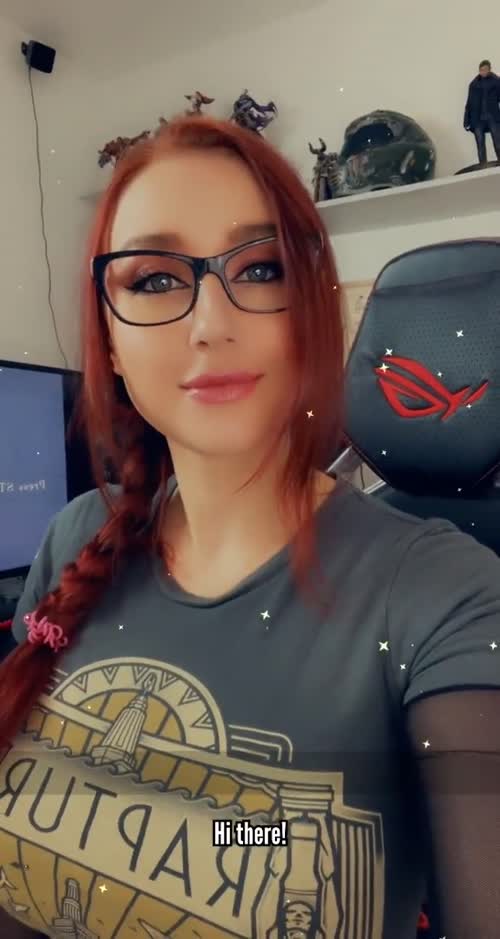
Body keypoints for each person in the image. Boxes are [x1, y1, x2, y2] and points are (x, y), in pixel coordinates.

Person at [0, 116, 499, 939]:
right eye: (154, 279)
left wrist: (221, 832)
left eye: (261, 269)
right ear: (110, 341)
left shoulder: (445, 596)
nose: (210, 322)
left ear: (311, 310)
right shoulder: (75, 534)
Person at [463, 58, 500, 163]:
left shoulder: (496, 82)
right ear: (479, 70)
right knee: (480, 145)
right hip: (477, 119)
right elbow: (469, 103)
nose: (483, 72)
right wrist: (466, 121)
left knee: (498, 143)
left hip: (492, 117)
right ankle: (483, 168)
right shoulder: (473, 84)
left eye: (485, 69)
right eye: (481, 70)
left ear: (489, 69)